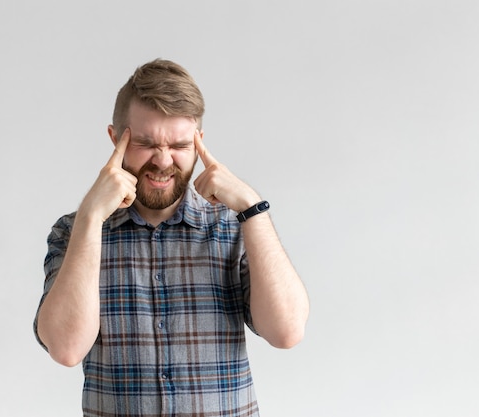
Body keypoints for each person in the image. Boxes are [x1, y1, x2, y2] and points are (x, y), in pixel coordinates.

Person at [34, 58, 310, 416]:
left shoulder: (234, 226)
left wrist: (253, 208)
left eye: (179, 145)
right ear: (115, 139)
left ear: (199, 143)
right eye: (146, 142)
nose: (163, 161)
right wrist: (91, 216)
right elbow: (65, 348)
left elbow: (286, 333)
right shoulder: (74, 232)